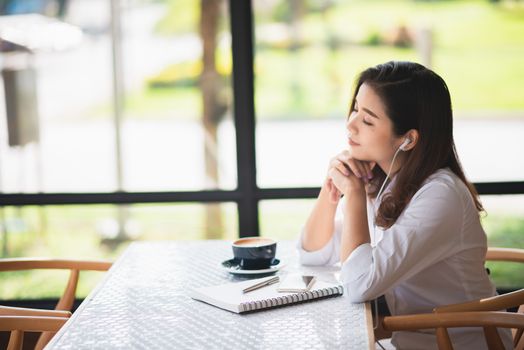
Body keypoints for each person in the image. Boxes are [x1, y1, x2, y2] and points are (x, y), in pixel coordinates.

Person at [297, 61, 512, 349]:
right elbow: (313, 254)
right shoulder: (389, 181)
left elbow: (358, 285)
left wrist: (356, 196)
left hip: (458, 343)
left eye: (368, 120)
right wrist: (331, 189)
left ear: (408, 139)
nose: (350, 123)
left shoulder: (440, 196)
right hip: (415, 338)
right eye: (356, 109)